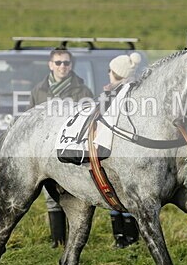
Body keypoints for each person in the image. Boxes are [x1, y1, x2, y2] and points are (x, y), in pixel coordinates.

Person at [29, 48, 93, 247]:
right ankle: (57, 241)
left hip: (70, 150)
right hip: (45, 151)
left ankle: (75, 241)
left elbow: (90, 121)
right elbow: (30, 121)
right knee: (50, 196)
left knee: (73, 195)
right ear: (51, 65)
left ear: (71, 65)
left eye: (66, 63)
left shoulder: (83, 91)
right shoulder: (38, 91)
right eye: (58, 63)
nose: (62, 67)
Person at [103, 52, 142, 248]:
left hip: (116, 152)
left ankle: (125, 238)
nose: (108, 73)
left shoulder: (118, 94)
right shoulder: (133, 91)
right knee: (123, 196)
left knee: (118, 194)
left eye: (110, 71)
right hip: (125, 152)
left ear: (116, 74)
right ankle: (127, 239)